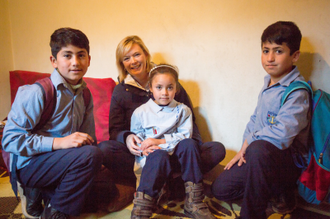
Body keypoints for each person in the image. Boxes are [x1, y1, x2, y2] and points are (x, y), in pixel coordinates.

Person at [98, 35, 226, 202]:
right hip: (144, 154)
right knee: (104, 149)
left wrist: (189, 148)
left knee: (216, 149)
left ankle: (172, 181)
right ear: (122, 64)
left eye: (137, 54)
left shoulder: (168, 79)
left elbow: (189, 121)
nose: (133, 61)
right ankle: (167, 182)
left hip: (174, 150)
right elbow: (115, 130)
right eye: (126, 58)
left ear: (145, 54)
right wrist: (128, 138)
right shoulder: (121, 91)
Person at [211, 21, 311, 219]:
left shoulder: (297, 91)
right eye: (266, 51)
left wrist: (251, 143)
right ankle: (275, 195)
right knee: (220, 189)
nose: (270, 58)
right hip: (258, 158)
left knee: (258, 148)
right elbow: (255, 119)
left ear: (295, 56)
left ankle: (254, 212)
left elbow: (281, 136)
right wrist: (242, 150)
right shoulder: (268, 83)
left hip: (285, 163)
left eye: (278, 51)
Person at [2, 27, 103, 219]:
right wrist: (59, 142)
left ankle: (41, 192)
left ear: (89, 59)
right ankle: (55, 213)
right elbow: (9, 140)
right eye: (67, 55)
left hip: (62, 161)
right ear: (54, 61)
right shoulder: (36, 92)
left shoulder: (85, 95)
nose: (75, 62)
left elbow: (89, 140)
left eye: (81, 55)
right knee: (90, 157)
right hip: (29, 164)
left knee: (100, 162)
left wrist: (96, 165)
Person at [130, 64, 215, 218]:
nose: (164, 92)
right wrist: (145, 148)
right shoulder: (140, 112)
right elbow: (138, 140)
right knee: (158, 155)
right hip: (154, 160)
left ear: (177, 89)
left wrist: (158, 141)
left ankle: (194, 202)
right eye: (159, 87)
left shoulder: (183, 110)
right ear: (150, 88)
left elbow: (184, 136)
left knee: (190, 144)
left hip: (177, 158)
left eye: (170, 87)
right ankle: (141, 209)